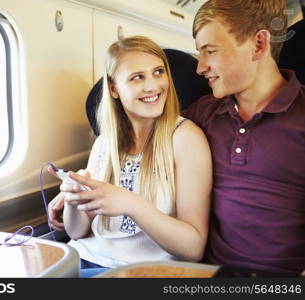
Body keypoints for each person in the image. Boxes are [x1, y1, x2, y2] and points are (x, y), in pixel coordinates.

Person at [48, 36, 212, 277]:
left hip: (138, 272)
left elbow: (193, 248)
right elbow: (76, 232)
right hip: (80, 258)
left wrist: (130, 204)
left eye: (158, 72)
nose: (153, 86)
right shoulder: (105, 142)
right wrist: (74, 199)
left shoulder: (185, 138)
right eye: (138, 77)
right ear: (114, 89)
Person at [182, 0, 305, 276]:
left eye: (210, 51)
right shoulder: (204, 112)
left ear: (259, 44)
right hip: (210, 275)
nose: (200, 68)